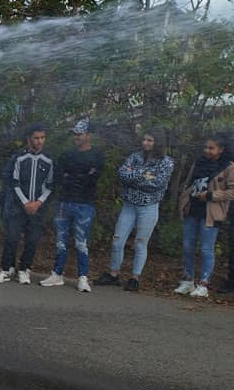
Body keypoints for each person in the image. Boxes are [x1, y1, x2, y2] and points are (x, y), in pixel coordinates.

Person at [94, 132, 174, 292]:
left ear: (157, 142)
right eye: (144, 139)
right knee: (117, 239)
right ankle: (113, 274)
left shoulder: (166, 162)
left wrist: (133, 177)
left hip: (148, 206)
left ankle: (134, 278)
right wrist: (143, 175)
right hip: (129, 205)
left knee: (140, 242)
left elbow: (156, 184)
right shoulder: (135, 156)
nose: (145, 143)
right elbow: (122, 175)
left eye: (150, 140)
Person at [39, 118, 105, 292]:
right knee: (60, 241)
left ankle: (83, 277)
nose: (76, 137)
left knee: (81, 242)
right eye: (74, 134)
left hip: (85, 204)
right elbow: (60, 177)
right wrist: (82, 174)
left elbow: (93, 178)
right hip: (64, 202)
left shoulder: (97, 155)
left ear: (88, 135)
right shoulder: (67, 154)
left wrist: (74, 175)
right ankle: (57, 274)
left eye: (79, 134)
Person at [0, 124, 54, 284]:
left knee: (32, 240)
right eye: (36, 138)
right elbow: (14, 182)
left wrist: (38, 203)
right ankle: (7, 269)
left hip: (38, 209)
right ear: (28, 139)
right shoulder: (19, 158)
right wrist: (26, 203)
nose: (39, 141)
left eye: (42, 138)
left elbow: (50, 185)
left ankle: (24, 269)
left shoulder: (49, 160)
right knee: (12, 237)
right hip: (17, 207)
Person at [173, 135, 234, 298]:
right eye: (206, 147)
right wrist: (184, 198)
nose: (207, 150)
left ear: (221, 150)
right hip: (192, 210)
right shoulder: (198, 163)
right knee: (187, 246)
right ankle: (187, 280)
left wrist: (210, 195)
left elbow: (231, 191)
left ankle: (203, 284)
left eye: (211, 148)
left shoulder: (228, 167)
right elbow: (188, 182)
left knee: (206, 248)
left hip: (211, 214)